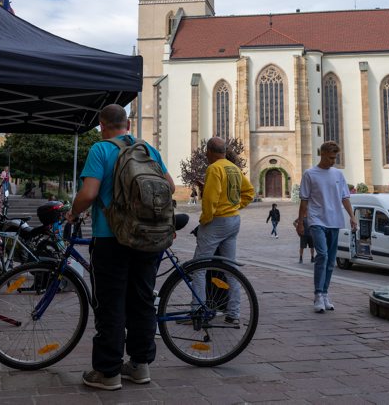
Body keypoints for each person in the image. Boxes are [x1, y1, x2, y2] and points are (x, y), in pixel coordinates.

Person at [67, 104, 174, 391]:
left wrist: (73, 212)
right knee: (141, 301)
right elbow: (170, 187)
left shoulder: (100, 150)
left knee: (111, 304)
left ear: (102, 124)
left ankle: (108, 372)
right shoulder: (148, 150)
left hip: (111, 238)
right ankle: (140, 366)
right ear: (127, 123)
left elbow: (88, 193)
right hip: (147, 239)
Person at [194, 137, 255, 322]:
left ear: (209, 152)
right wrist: (235, 206)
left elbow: (211, 199)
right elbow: (249, 192)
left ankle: (198, 311)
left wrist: (205, 219)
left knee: (199, 267)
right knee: (230, 268)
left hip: (217, 221)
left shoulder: (214, 168)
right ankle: (234, 313)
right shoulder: (233, 167)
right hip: (233, 220)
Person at [296, 141, 357, 313]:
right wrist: (301, 222)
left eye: (335, 158)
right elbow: (304, 201)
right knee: (322, 255)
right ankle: (317, 295)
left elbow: (345, 197)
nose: (333, 161)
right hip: (316, 220)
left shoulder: (338, 174)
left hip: (334, 220)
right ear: (322, 154)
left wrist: (352, 217)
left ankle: (324, 293)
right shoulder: (310, 174)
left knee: (331, 261)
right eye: (330, 157)